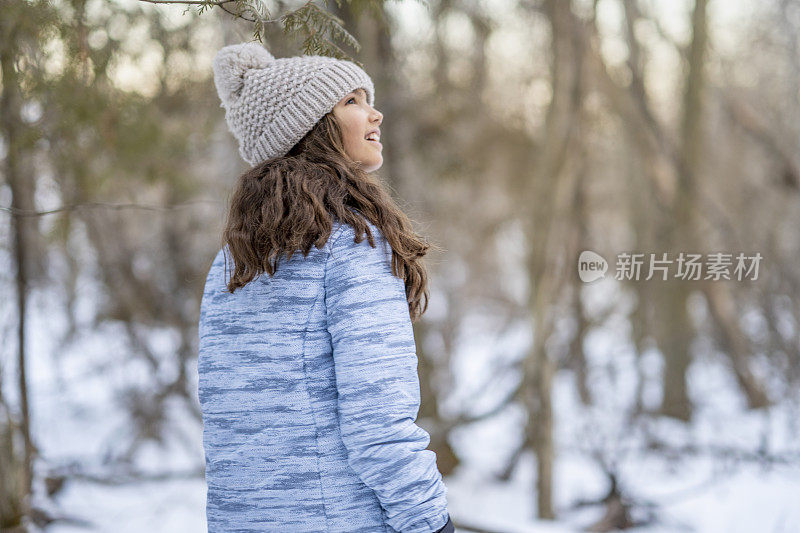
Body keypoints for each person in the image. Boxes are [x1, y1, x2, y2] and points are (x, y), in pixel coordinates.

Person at [198, 41, 455, 533]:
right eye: (351, 101)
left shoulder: (236, 259)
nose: (374, 112)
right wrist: (429, 521)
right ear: (311, 128)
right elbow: (378, 422)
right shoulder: (354, 244)